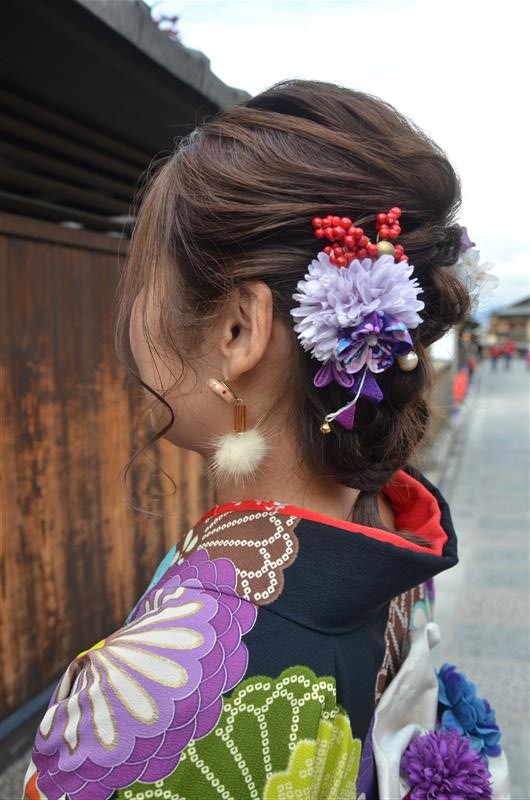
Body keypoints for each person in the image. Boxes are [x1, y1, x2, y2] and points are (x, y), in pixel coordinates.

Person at [22, 80, 510, 800]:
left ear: (238, 329)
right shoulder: (390, 528)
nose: (133, 314)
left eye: (146, 279)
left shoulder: (137, 707)